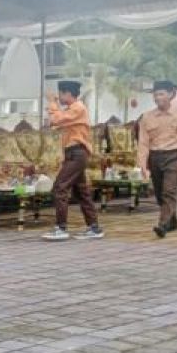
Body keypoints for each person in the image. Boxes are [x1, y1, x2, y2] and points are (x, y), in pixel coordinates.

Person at [42, 81, 103, 241]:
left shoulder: (78, 108)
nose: (59, 97)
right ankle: (94, 228)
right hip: (73, 154)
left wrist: (52, 103)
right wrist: (54, 108)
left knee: (60, 187)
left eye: (61, 94)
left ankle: (61, 228)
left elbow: (56, 119)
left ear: (68, 94)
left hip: (77, 153)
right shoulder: (72, 109)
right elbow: (54, 123)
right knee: (81, 192)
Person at [139, 80, 177, 238]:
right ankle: (172, 221)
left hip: (174, 156)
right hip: (155, 157)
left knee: (168, 191)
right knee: (159, 193)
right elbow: (143, 142)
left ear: (171, 94)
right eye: (155, 94)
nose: (158, 97)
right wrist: (143, 164)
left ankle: (162, 225)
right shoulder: (147, 117)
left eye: (161, 94)